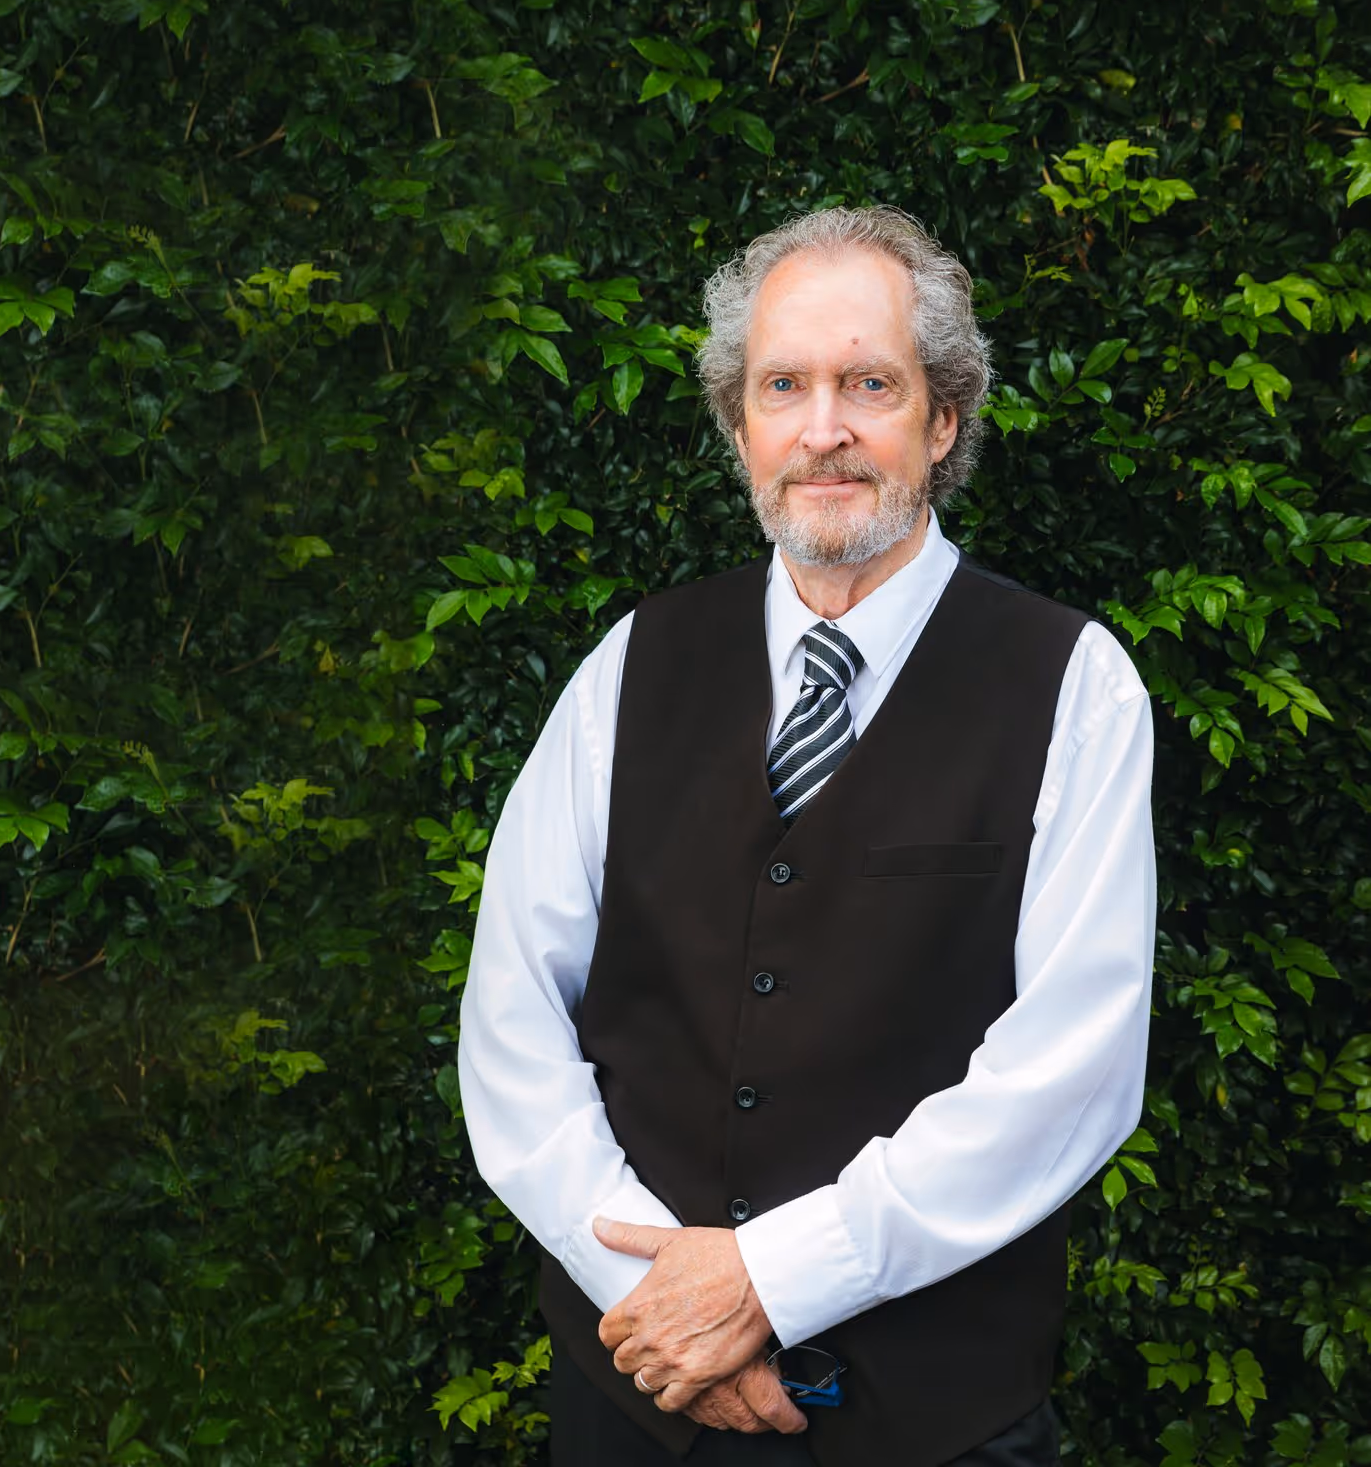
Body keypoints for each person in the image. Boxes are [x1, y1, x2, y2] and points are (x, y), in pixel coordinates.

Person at [456, 205, 1157, 1467]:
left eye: (867, 383)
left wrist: (771, 1282)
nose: (822, 427)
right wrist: (656, 1295)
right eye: (784, 385)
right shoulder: (630, 666)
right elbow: (512, 1018)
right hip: (633, 1409)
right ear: (740, 428)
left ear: (942, 421)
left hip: (931, 1428)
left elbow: (1071, 1071)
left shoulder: (1073, 684)